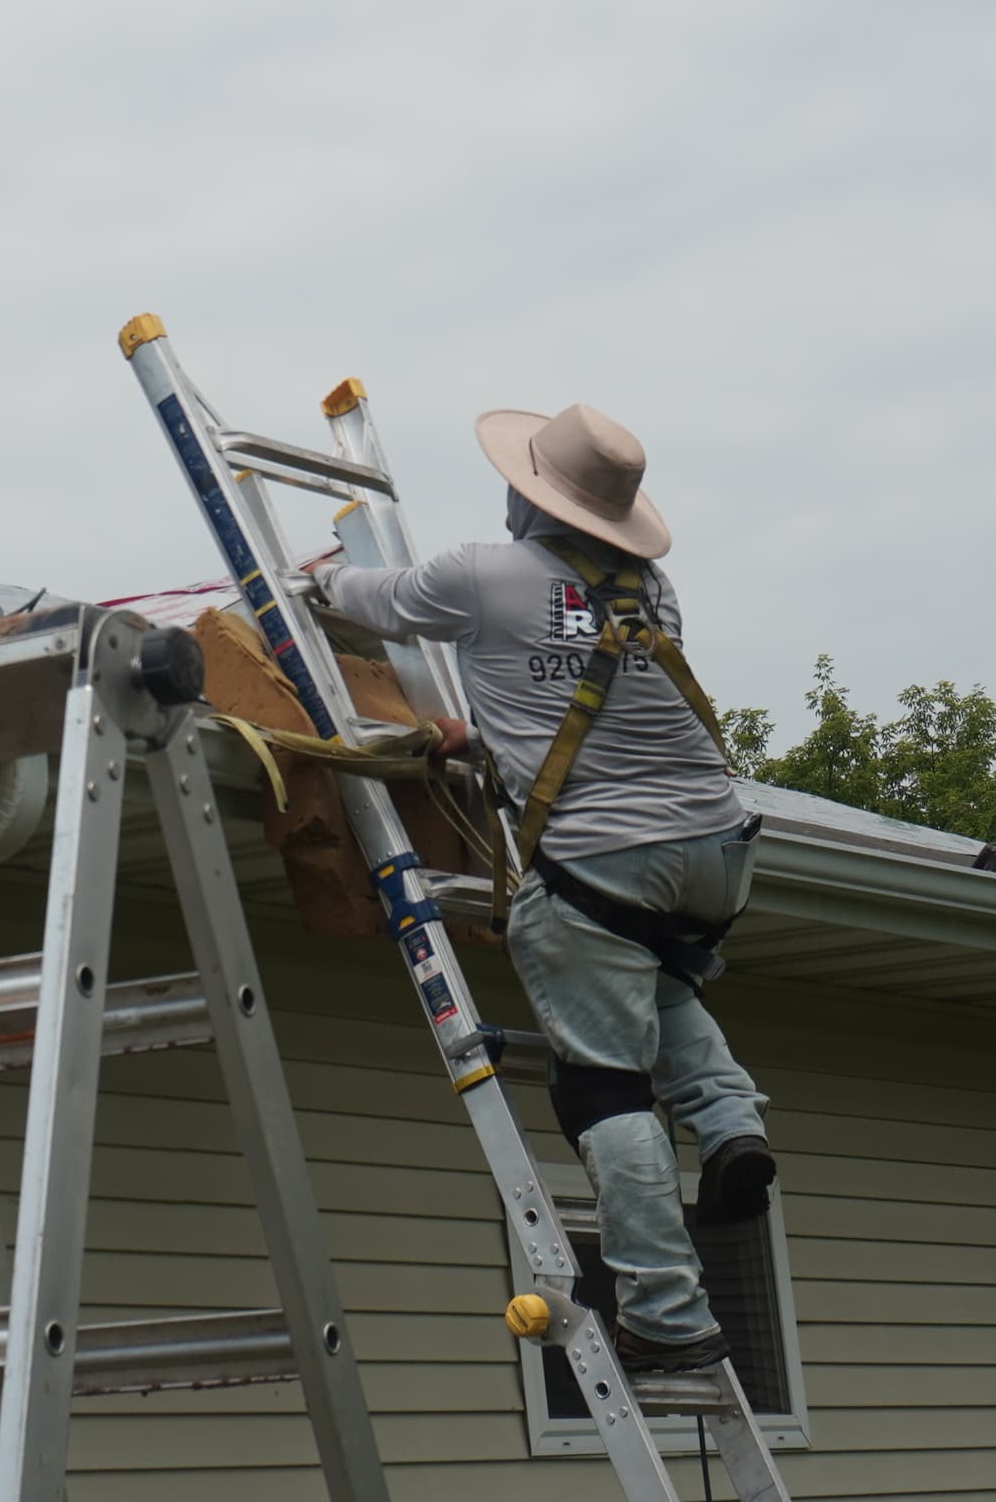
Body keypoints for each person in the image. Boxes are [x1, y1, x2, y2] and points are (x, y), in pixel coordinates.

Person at [309, 402, 774, 1375]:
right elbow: (578, 700)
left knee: (605, 1082)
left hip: (603, 859)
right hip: (715, 847)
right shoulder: (653, 589)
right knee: (662, 988)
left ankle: (668, 1309)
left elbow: (363, 599)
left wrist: (316, 579)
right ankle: (731, 1127)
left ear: (530, 492)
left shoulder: (482, 571)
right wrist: (475, 734)